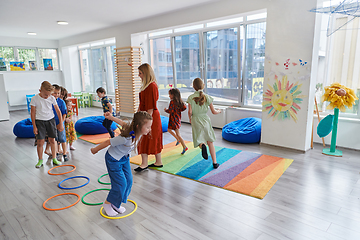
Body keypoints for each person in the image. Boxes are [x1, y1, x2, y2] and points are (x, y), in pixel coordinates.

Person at [91, 111, 153, 216]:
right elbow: (108, 142)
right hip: (113, 159)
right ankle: (107, 204)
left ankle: (116, 203)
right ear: (138, 126)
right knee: (120, 184)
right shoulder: (125, 138)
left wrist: (111, 117)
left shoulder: (136, 131)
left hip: (124, 158)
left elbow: (123, 124)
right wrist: (95, 149)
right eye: (147, 127)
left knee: (129, 181)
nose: (149, 129)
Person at [187, 78, 221, 169]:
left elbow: (190, 111)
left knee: (199, 139)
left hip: (195, 119)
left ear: (193, 87)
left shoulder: (190, 97)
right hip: (205, 120)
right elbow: (213, 112)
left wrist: (190, 119)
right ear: (203, 85)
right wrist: (219, 111)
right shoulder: (207, 97)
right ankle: (215, 162)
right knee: (210, 141)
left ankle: (202, 146)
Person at [135, 63, 163, 172]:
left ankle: (145, 164)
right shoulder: (146, 86)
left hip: (150, 117)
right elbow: (142, 104)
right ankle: (156, 162)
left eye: (140, 73)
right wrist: (137, 115)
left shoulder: (152, 86)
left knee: (149, 138)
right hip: (146, 116)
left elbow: (150, 108)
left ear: (146, 74)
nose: (139, 75)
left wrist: (146, 122)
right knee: (149, 138)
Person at [30, 81, 64, 168]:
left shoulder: (51, 98)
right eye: (45, 94)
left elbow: (58, 111)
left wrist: (61, 123)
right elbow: (33, 113)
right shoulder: (35, 99)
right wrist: (34, 126)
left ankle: (54, 158)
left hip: (50, 120)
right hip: (39, 121)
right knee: (40, 142)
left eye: (49, 94)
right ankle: (40, 160)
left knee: (52, 140)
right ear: (40, 90)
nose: (47, 96)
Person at [44, 84, 69, 161]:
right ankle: (56, 153)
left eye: (58, 93)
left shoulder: (61, 102)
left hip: (60, 124)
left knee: (62, 139)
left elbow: (64, 113)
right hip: (51, 124)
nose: (57, 95)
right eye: (55, 93)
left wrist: (61, 123)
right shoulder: (48, 101)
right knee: (53, 139)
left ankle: (65, 154)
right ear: (51, 92)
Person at [164, 88, 188, 154]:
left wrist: (166, 110)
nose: (169, 96)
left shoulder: (172, 102)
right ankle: (178, 139)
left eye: (170, 95)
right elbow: (184, 108)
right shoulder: (179, 102)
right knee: (169, 130)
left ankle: (184, 146)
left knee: (178, 134)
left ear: (173, 95)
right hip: (177, 119)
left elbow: (170, 111)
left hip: (173, 120)